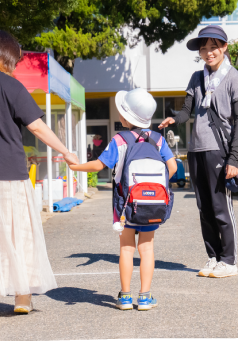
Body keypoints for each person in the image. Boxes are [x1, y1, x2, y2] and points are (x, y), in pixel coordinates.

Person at [0, 30, 79, 324]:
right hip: (9, 172)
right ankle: (22, 297)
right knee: (19, 233)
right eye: (14, 60)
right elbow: (37, 127)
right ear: (4, 56)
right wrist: (66, 152)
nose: (15, 66)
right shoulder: (10, 85)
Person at [69, 88, 177, 311]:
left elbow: (99, 165)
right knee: (146, 248)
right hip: (153, 204)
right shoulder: (158, 139)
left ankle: (125, 297)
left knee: (127, 248)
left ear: (125, 117)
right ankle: (145, 297)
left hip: (126, 204)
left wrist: (75, 166)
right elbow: (172, 167)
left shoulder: (120, 139)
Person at [159, 25, 238, 278]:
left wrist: (232, 158)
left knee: (221, 208)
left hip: (220, 150)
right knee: (204, 208)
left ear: (224, 47)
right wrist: (174, 119)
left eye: (213, 47)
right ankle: (213, 257)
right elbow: (188, 110)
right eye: (204, 49)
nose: (209, 53)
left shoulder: (234, 78)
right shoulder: (197, 78)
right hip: (196, 150)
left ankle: (228, 261)